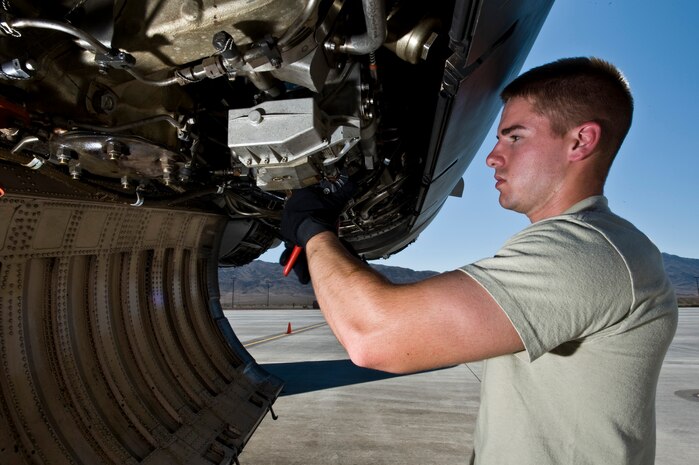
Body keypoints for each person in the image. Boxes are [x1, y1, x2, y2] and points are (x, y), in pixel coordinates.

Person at [280, 57, 678, 464]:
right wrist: (333, 264)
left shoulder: (587, 251)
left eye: (514, 137)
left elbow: (377, 338)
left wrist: (313, 230)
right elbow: (401, 311)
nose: (492, 157)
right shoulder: (587, 246)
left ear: (581, 141)